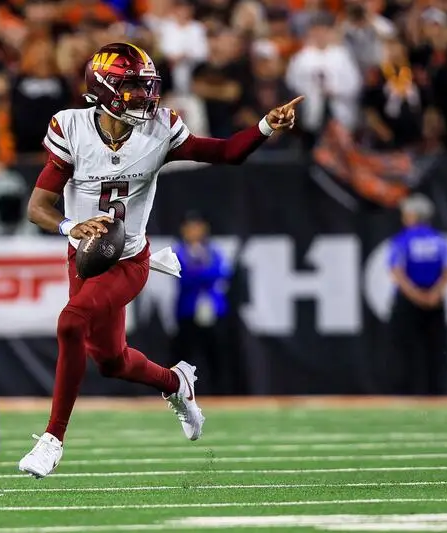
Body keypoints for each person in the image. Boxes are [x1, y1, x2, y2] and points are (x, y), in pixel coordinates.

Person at [19, 42, 302, 478]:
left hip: (130, 258)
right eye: (131, 88)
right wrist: (68, 226)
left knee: (70, 322)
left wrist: (265, 125)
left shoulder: (160, 129)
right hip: (86, 258)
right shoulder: (70, 127)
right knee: (110, 361)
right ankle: (176, 383)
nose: (144, 98)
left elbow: (225, 152)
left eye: (146, 88)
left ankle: (53, 438)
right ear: (104, 88)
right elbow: (38, 205)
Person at [389, 194, 447, 395]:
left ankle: (407, 393)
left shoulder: (402, 240)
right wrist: (434, 294)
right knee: (436, 351)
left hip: (408, 301)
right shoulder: (439, 240)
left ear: (411, 216)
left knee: (406, 351)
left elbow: (396, 272)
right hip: (435, 301)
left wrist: (416, 296)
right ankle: (437, 393)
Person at [171, 212, 232, 393]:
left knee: (217, 355)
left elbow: (223, 273)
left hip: (214, 311)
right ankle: (180, 393)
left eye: (198, 226)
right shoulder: (179, 251)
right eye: (190, 227)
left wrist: (198, 273)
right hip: (188, 311)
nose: (194, 231)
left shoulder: (213, 251)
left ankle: (221, 393)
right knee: (185, 355)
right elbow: (184, 277)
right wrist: (205, 274)